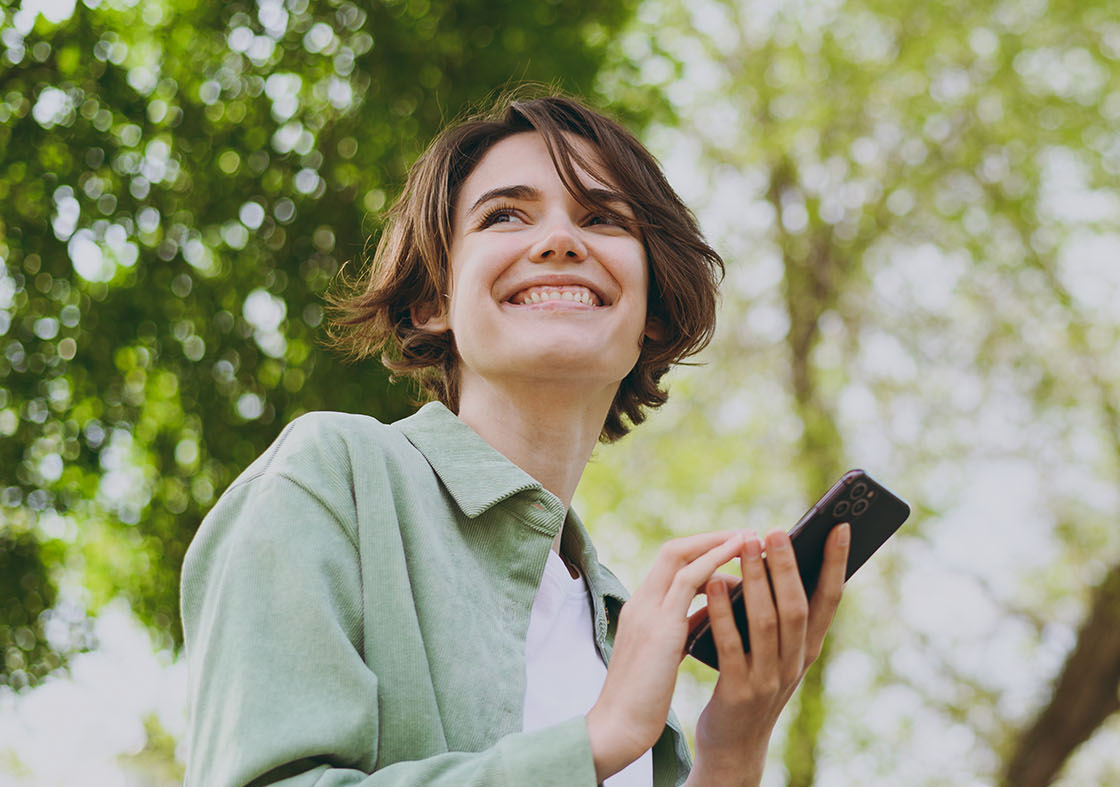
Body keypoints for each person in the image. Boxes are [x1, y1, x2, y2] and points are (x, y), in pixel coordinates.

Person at [179, 89, 850, 786]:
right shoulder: (330, 478)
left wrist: (732, 752)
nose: (561, 240)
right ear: (432, 299)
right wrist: (598, 737)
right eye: (504, 214)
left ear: (650, 308)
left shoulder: (620, 625)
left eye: (601, 217)